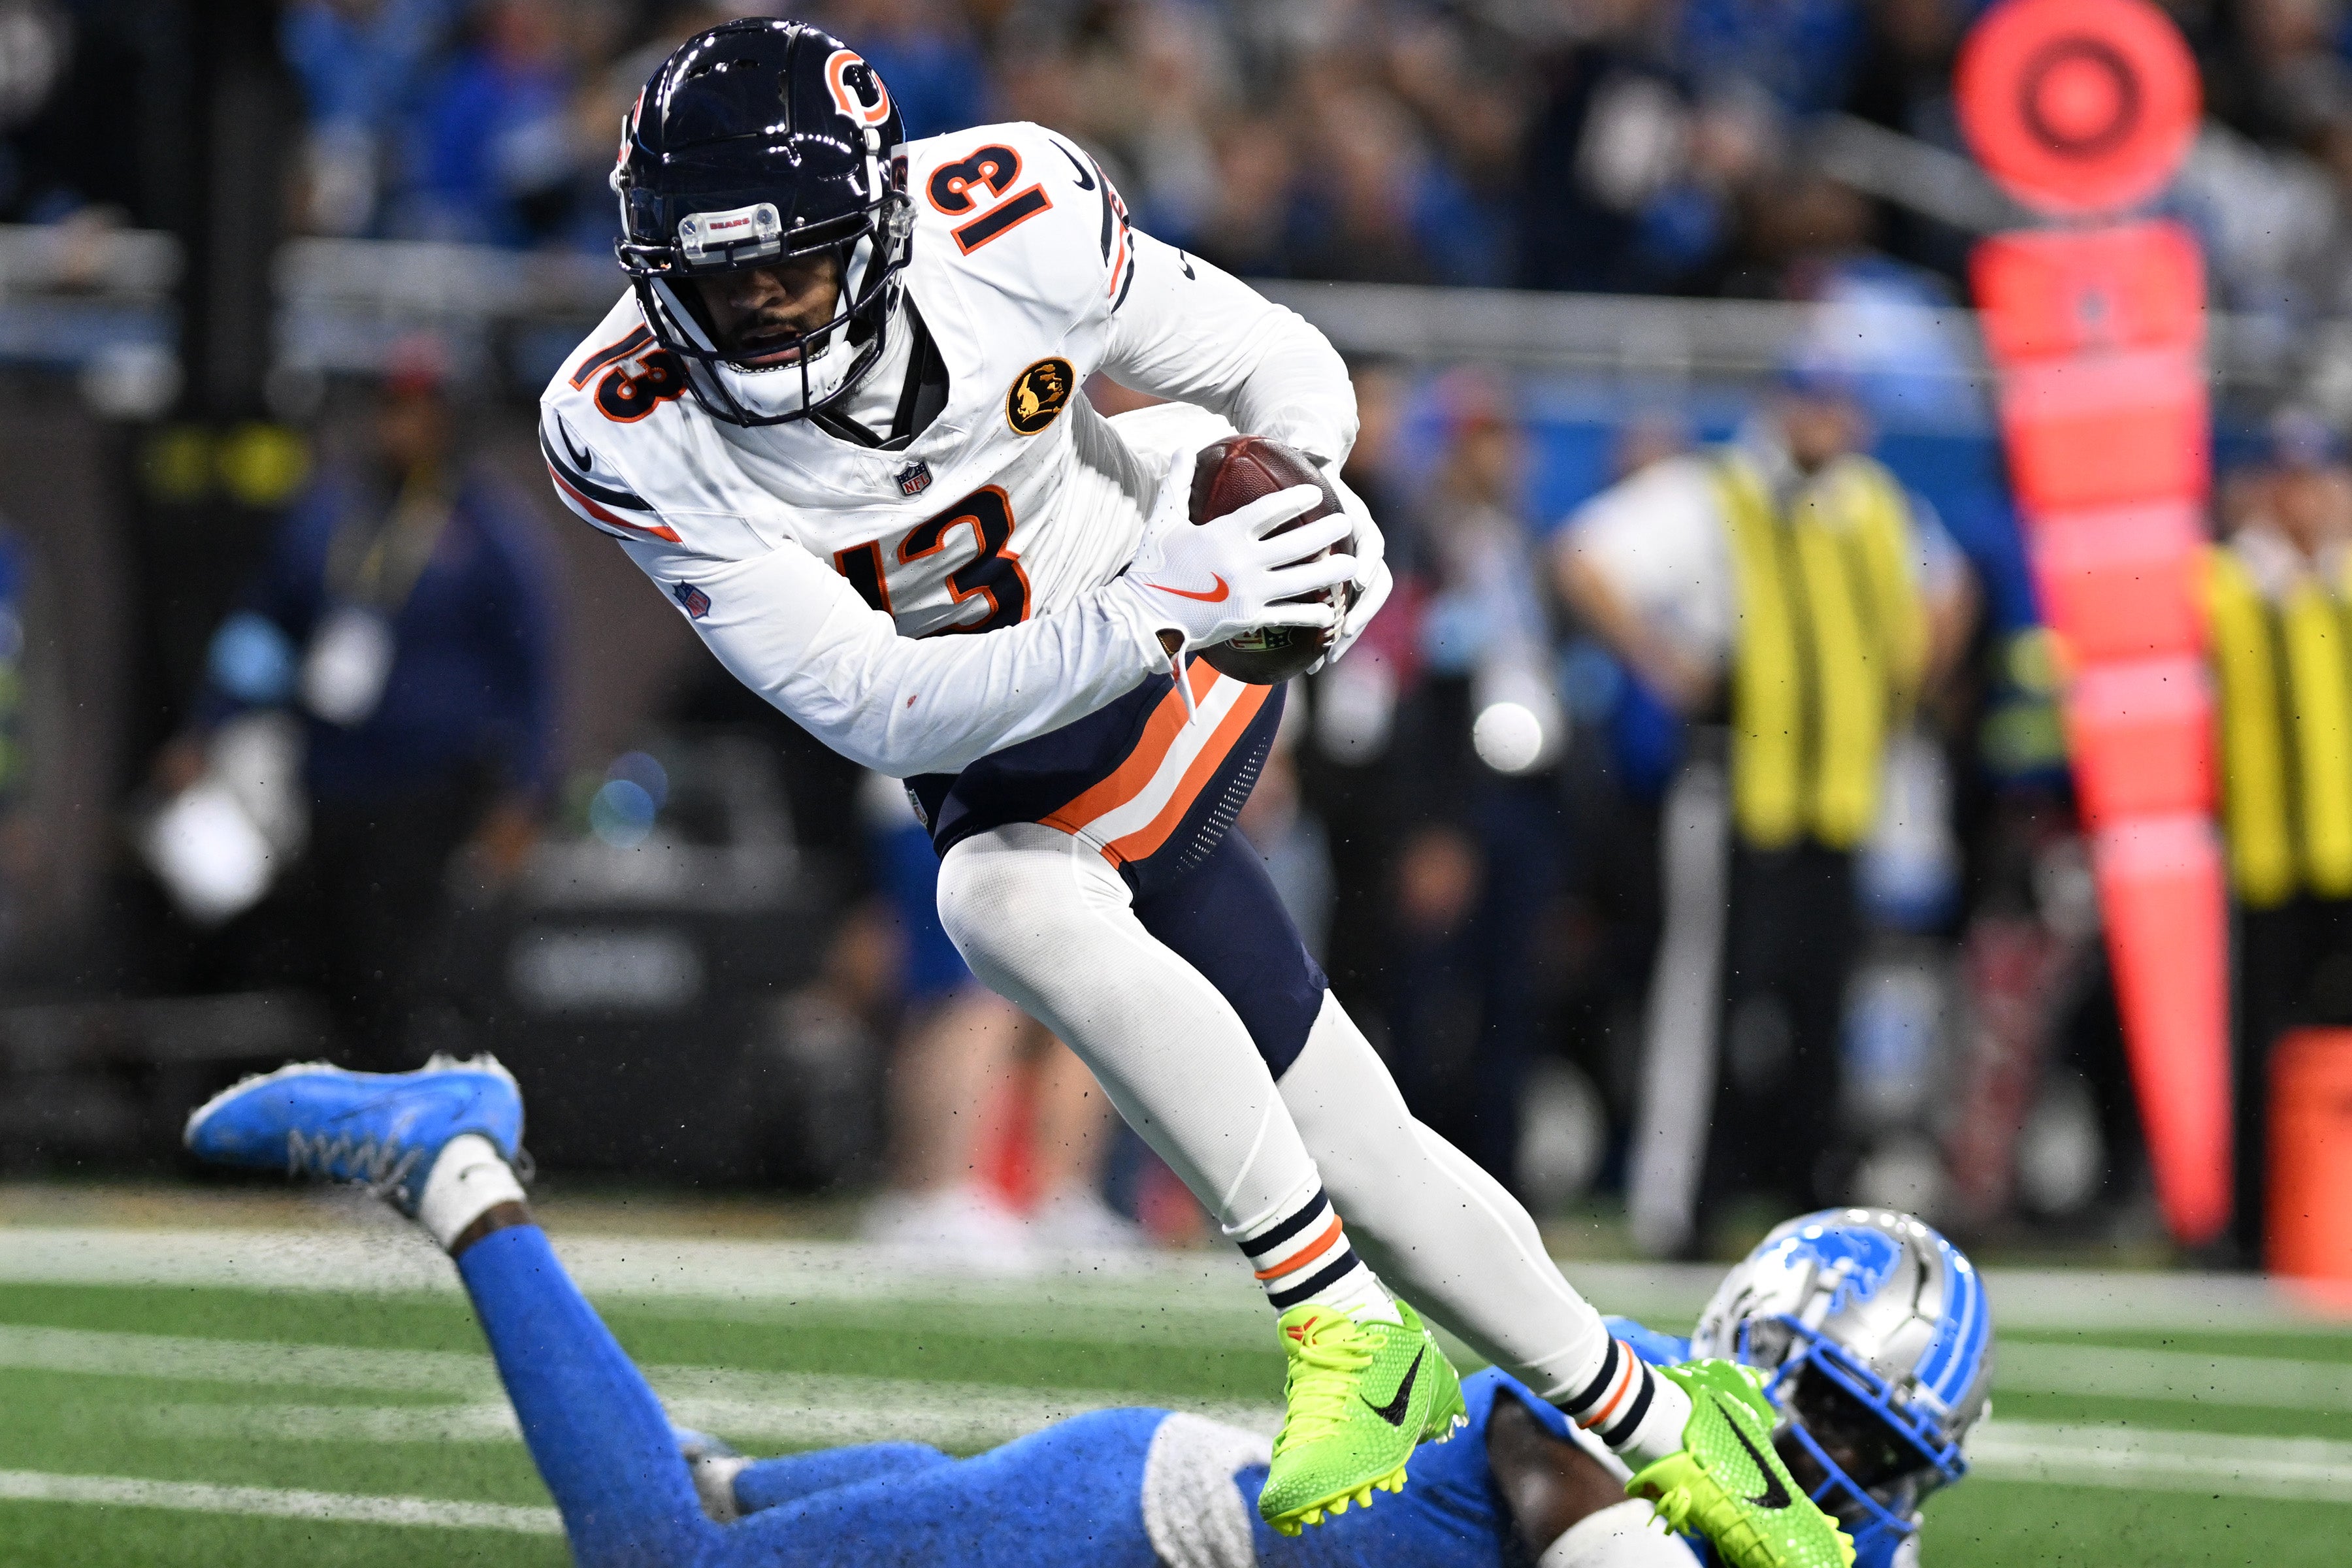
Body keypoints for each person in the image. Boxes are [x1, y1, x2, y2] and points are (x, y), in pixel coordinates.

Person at [532, 20, 1844, 1558]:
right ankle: (1673, 1423)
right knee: (1362, 1146)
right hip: (1028, 710)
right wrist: (1147, 610)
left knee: (997, 897)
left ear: (879, 227)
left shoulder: (1009, 216)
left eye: (790, 268)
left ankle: (1339, 1323)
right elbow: (870, 702)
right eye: (716, 281)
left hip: (1185, 616)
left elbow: (1281, 361)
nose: (755, 310)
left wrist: (1297, 506)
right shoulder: (618, 421)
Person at [183, 1059, 1990, 1567]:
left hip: (1137, 1500)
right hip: (1120, 1533)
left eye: (1881, 1454)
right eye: (1831, 1420)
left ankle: (751, 1474)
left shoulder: (1828, 1536)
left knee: (737, 1501)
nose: (1844, 1476)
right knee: (661, 1558)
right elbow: (1578, 1503)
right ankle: (457, 1165)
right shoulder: (1613, 1425)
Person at [1558, 370, 1970, 1257]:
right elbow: (1584, 557)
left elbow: (1948, 590)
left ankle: (1808, 1203)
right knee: (1707, 999)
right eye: (1811, 401)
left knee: (1819, 1009)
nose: (1826, 419)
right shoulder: (1714, 492)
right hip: (1733, 782)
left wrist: (1898, 691)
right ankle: (1683, 1206)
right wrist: (1663, 662)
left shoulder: (1874, 504)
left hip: (1839, 793)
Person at [163, 343, 559, 1067]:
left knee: (403, 962)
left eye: (419, 409)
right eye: (390, 407)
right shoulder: (330, 514)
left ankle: (404, 1103)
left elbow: (531, 672)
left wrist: (525, 794)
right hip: (332, 776)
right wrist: (206, 725)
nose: (399, 426)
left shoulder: (489, 530)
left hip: (431, 788)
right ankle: (347, 1100)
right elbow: (263, 630)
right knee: (333, 958)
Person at [2204, 410, 2352, 1267]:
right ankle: (2252, 1225)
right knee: (2257, 1048)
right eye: (2290, 480)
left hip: (2341, 855)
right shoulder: (2225, 585)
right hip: (2259, 858)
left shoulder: (2341, 582)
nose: (2306, 499)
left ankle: (2328, 1223)